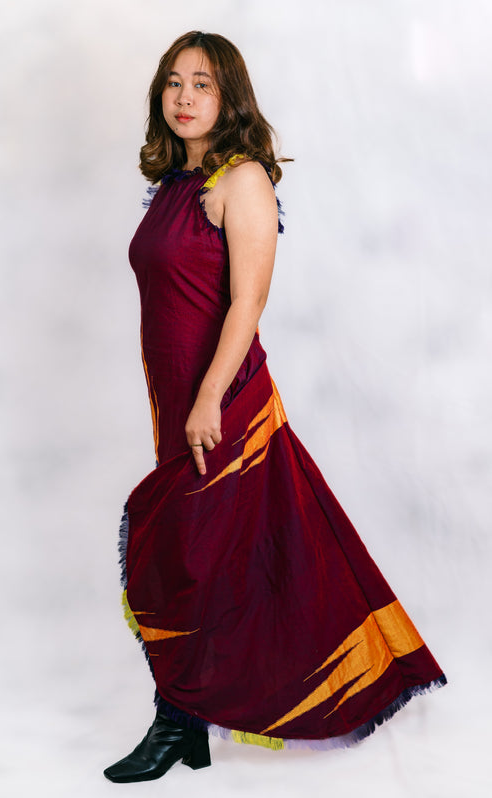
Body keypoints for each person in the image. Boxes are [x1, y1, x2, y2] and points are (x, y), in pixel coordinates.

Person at [103, 31, 446, 784]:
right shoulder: (175, 185)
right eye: (173, 82)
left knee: (195, 554)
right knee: (203, 553)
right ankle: (188, 720)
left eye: (202, 83)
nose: (185, 96)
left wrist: (207, 399)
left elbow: (247, 301)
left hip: (222, 398)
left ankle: (176, 722)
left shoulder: (243, 179)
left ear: (229, 97)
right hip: (176, 398)